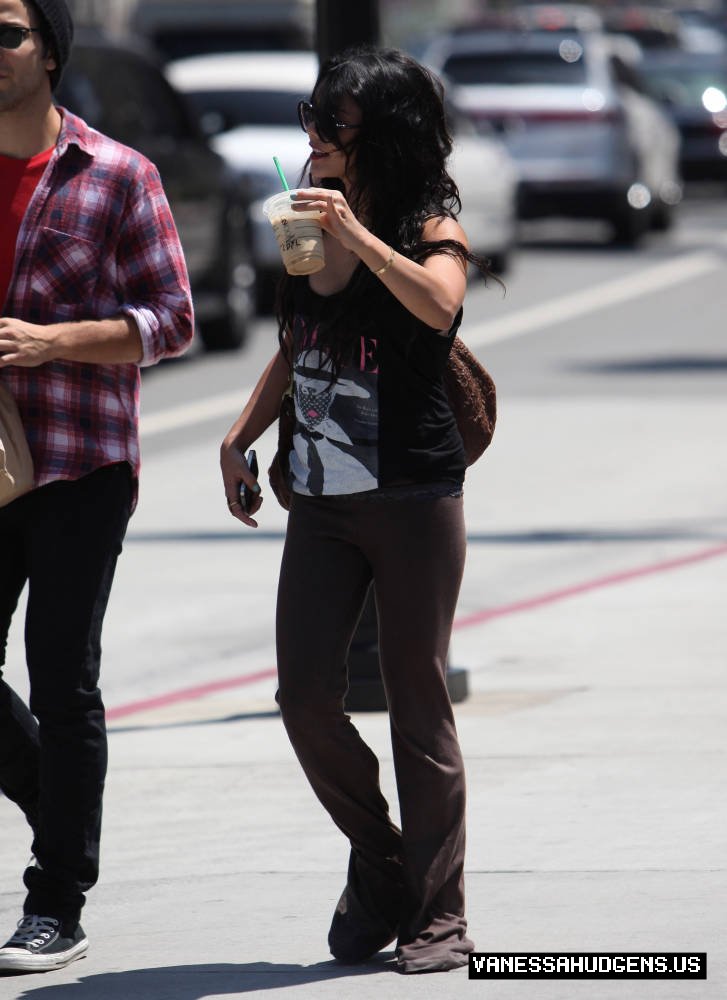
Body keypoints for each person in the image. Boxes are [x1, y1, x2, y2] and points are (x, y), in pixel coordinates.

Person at [221, 45, 492, 974]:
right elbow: (300, 339)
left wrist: (361, 236)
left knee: (417, 702)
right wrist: (241, 432)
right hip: (324, 500)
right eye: (311, 119)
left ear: (382, 135)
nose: (314, 138)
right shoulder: (305, 206)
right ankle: (384, 863)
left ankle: (440, 913)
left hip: (414, 492)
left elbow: (438, 305)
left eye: (331, 124)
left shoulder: (429, 219)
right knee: (302, 695)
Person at [0, 0, 193, 974]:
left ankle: (56, 899)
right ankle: (56, 793)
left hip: (79, 460)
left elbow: (173, 320)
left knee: (61, 675)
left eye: (4, 33)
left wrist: (52, 342)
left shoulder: (117, 173)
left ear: (48, 48)